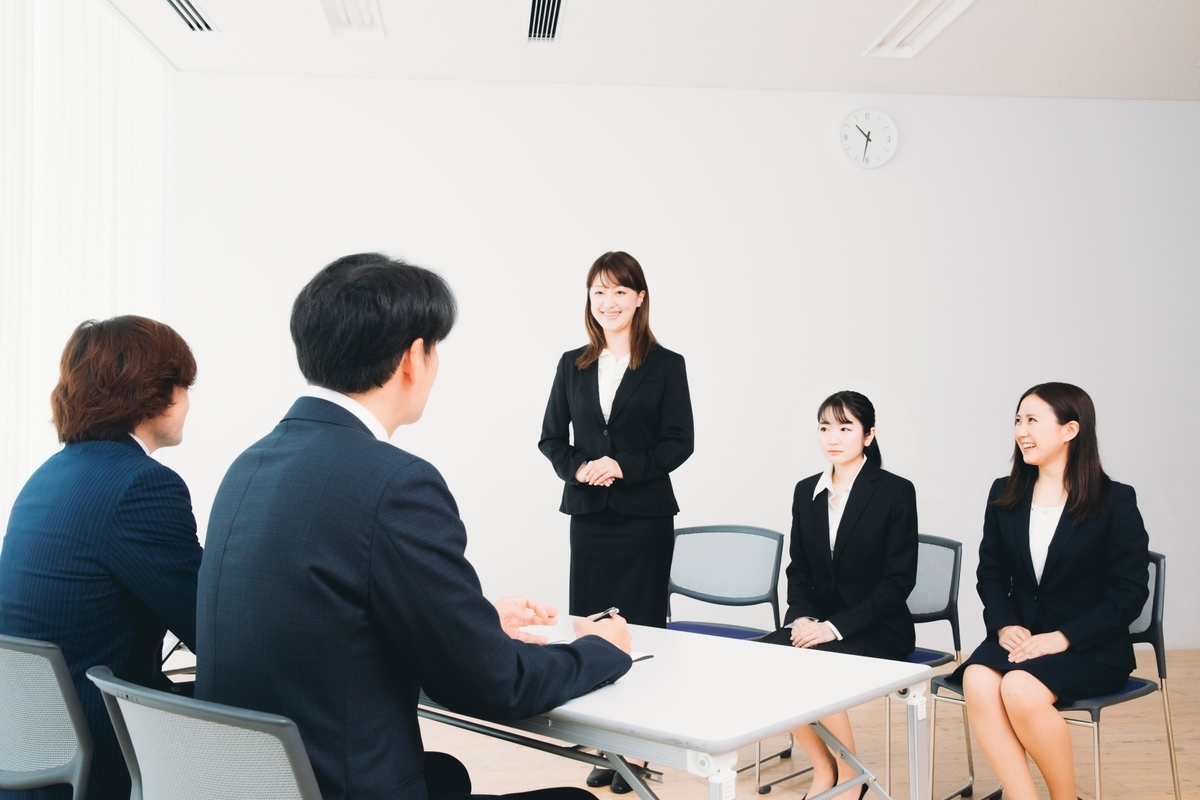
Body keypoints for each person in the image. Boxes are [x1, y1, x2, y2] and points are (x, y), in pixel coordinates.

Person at [195, 253, 632, 800]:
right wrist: (604, 648)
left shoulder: (250, 465)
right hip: (346, 785)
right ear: (411, 359)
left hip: (264, 782)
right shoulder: (393, 482)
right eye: (434, 349)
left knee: (446, 774)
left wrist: (471, 619)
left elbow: (325, 609)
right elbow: (494, 684)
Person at [0, 316, 202, 800]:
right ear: (158, 393)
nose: (189, 401)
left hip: (31, 758)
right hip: (106, 760)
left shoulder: (48, 477)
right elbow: (208, 624)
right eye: (184, 384)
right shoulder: (142, 484)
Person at [538, 251, 693, 793]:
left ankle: (639, 754)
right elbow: (552, 438)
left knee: (643, 629)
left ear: (640, 298)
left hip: (644, 517)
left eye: (620, 292)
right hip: (590, 516)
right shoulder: (571, 363)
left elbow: (680, 442)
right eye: (599, 292)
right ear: (590, 299)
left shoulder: (666, 364)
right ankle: (608, 747)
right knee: (593, 630)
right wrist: (580, 467)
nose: (608, 302)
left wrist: (622, 465)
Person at [954, 383, 1149, 800]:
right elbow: (990, 573)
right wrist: (1004, 625)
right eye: (1018, 420)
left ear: (1070, 430)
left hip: (1088, 646)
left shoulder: (1115, 500)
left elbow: (1130, 593)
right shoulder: (1004, 493)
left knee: (1019, 688)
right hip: (1023, 636)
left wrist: (1063, 638)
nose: (1021, 431)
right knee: (977, 678)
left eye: (1033, 420)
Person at [758, 391, 917, 800]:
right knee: (768, 658)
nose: (834, 437)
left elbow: (898, 582)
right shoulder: (804, 491)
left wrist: (834, 627)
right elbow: (799, 570)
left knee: (813, 665)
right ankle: (824, 768)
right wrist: (803, 619)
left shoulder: (895, 492)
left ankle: (851, 776)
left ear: (869, 435)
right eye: (826, 427)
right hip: (818, 624)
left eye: (846, 428)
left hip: (878, 627)